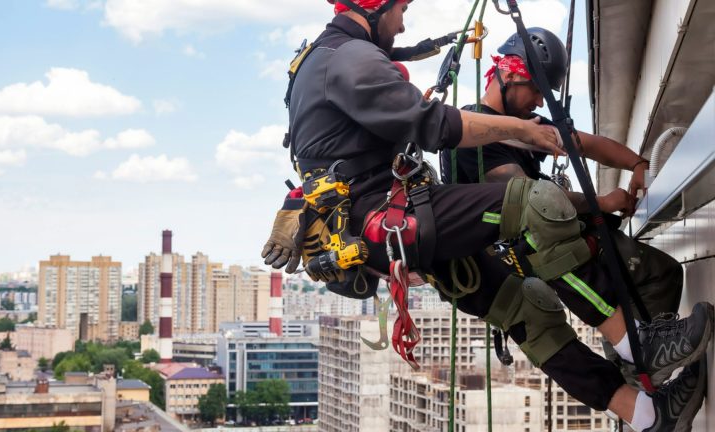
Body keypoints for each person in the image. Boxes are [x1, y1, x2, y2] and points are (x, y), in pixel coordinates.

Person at [262, 1, 712, 430]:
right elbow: (436, 125)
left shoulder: (317, 64)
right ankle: (637, 344)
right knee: (539, 203)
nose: (401, 25)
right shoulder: (348, 57)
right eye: (401, 10)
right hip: (386, 219)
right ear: (375, 5)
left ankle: (651, 417)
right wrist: (522, 131)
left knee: (528, 310)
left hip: (381, 228)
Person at [444, 27, 686, 384]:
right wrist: (601, 202)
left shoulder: (522, 127)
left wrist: (637, 164)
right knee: (660, 273)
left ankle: (636, 368)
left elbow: (584, 144)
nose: (540, 102)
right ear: (509, 74)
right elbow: (526, 195)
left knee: (646, 280)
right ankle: (641, 372)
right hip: (530, 251)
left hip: (546, 243)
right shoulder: (476, 134)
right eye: (537, 90)